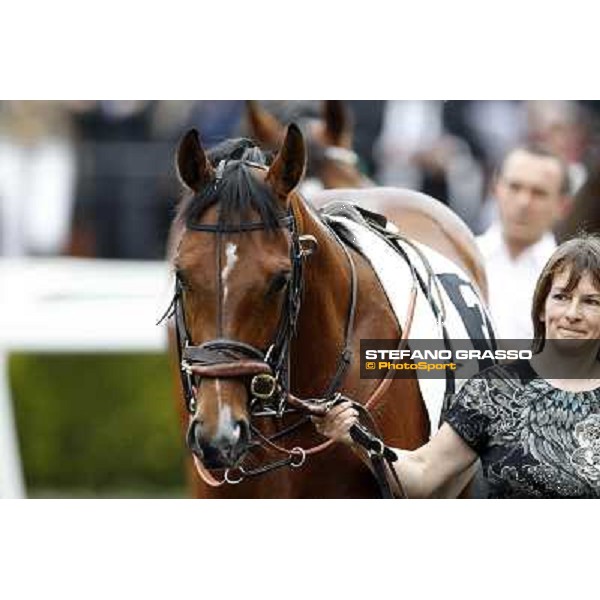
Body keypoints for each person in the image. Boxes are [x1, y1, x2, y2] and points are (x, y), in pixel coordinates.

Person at [313, 235, 600, 498]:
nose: (572, 314)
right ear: (541, 307)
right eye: (561, 297)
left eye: (591, 302)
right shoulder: (495, 389)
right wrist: (356, 438)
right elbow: (423, 473)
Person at [476, 144, 572, 339]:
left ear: (562, 205)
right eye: (514, 187)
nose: (523, 202)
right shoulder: (455, 260)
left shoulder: (576, 277)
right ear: (495, 189)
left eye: (539, 193)